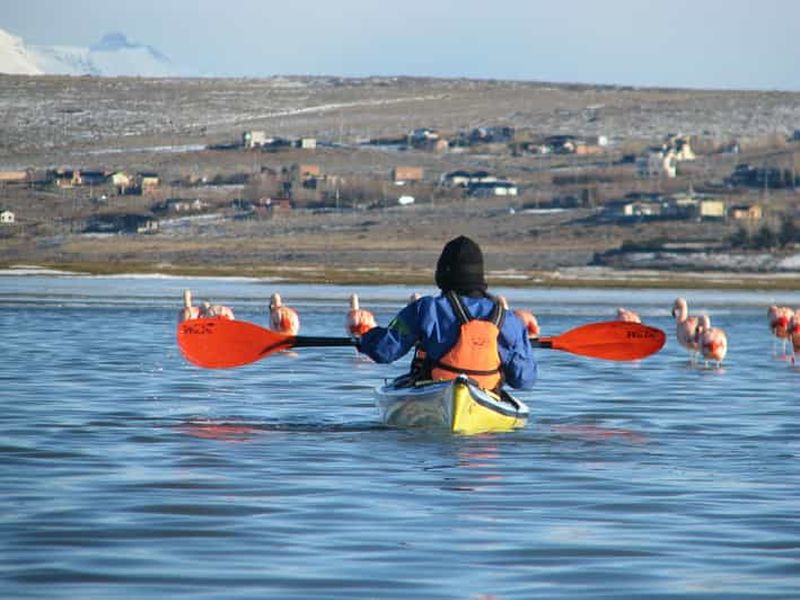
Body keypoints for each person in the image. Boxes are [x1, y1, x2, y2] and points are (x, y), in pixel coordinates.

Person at [358, 236, 537, 390]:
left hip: (434, 393)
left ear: (442, 273)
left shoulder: (425, 309)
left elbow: (383, 351)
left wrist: (364, 338)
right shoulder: (510, 320)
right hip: (485, 399)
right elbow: (524, 380)